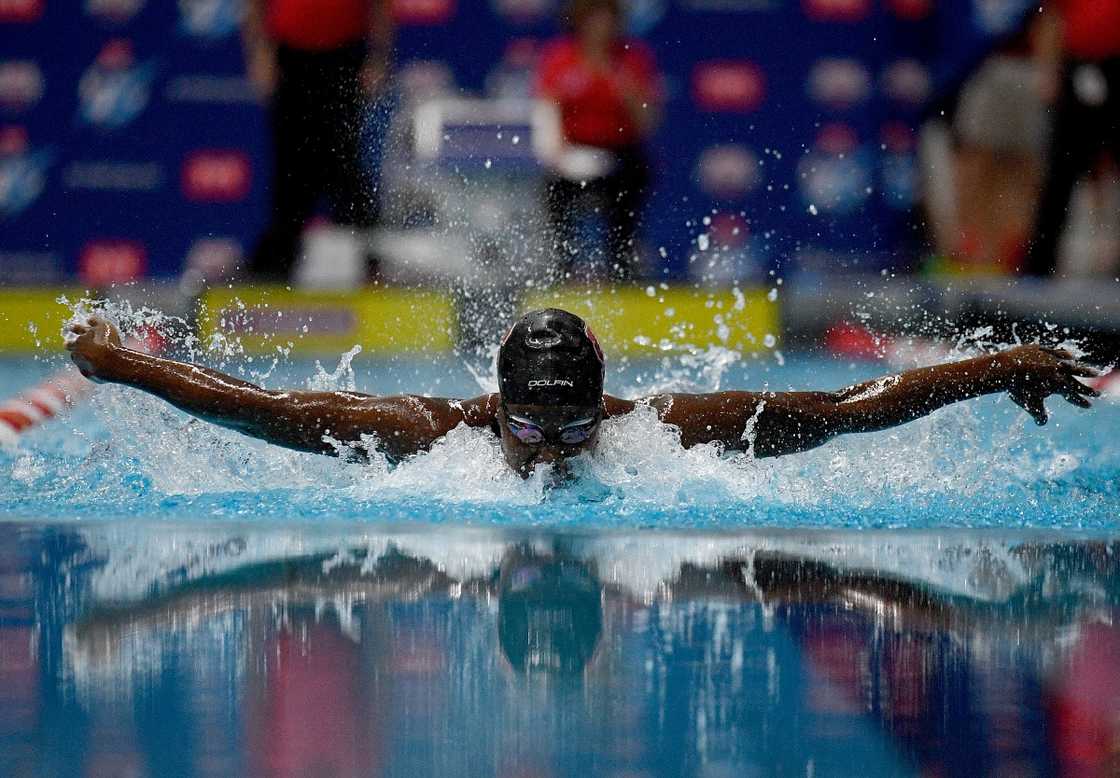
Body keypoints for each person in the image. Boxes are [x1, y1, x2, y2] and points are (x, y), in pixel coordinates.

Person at [65, 308, 1101, 480]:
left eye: (569, 427)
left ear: (602, 408)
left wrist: (995, 366)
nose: (551, 454)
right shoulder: (432, 438)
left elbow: (847, 407)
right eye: (530, 427)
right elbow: (275, 413)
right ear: (494, 407)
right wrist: (129, 365)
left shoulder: (669, 434)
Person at [242, 0, 393, 282]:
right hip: (290, 58)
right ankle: (279, 263)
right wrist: (259, 52)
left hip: (345, 58)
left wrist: (378, 57)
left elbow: (381, 6)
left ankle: (370, 260)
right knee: (290, 163)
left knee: (344, 160)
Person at [535, 0, 662, 281]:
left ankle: (621, 268)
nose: (601, 28)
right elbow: (547, 110)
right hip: (572, 150)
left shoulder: (632, 59)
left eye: (608, 20)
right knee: (553, 188)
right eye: (594, 20)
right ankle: (562, 269)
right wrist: (558, 151)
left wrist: (621, 83)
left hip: (620, 152)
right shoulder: (560, 58)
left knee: (634, 178)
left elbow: (646, 122)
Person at [1023, 0, 1120, 276]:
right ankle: (1038, 268)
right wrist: (1046, 70)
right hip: (1081, 65)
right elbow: (1052, 16)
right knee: (1061, 172)